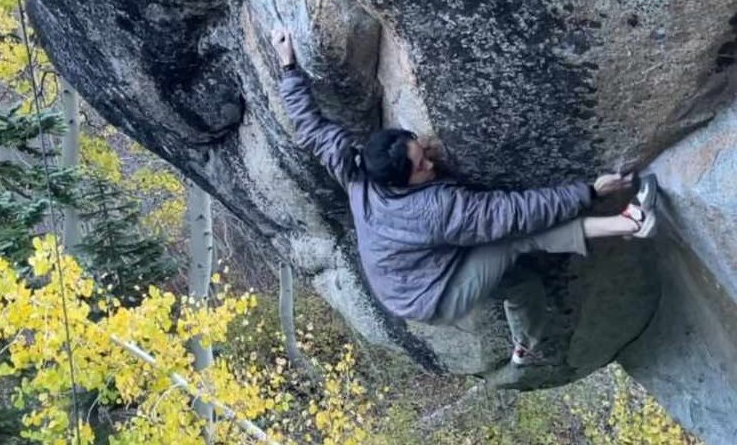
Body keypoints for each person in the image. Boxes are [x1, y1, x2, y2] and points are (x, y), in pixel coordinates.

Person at [272, 27, 658, 366]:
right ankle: (630, 222)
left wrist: (288, 66)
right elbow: (516, 214)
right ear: (402, 183)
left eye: (418, 149)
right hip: (433, 295)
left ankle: (527, 348)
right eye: (421, 166)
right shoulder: (433, 210)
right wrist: (588, 191)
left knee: (521, 286)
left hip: (408, 275)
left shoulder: (357, 172)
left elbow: (312, 129)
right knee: (513, 240)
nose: (429, 162)